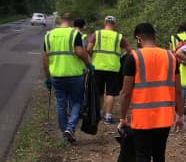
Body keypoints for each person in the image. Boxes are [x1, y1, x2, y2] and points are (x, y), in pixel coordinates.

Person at [118, 23, 184, 162]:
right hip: (164, 117)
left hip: (142, 118)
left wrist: (123, 117)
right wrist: (180, 114)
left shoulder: (134, 57)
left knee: (143, 159)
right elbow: (177, 90)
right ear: (154, 36)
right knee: (159, 157)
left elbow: (126, 92)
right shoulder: (172, 57)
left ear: (139, 38)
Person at [43, 12, 93, 143]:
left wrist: (47, 77)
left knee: (61, 104)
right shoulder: (74, 34)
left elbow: (45, 57)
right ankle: (70, 129)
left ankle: (65, 133)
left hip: (57, 76)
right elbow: (80, 52)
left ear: (61, 21)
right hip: (74, 75)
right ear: (71, 22)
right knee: (77, 102)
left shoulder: (49, 35)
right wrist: (89, 64)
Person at [87, 15, 131, 124]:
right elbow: (130, 50)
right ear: (114, 24)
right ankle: (108, 116)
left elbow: (88, 48)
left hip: (97, 66)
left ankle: (99, 113)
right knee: (111, 92)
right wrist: (123, 58)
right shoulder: (119, 37)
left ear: (104, 23)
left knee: (99, 91)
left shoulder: (96, 34)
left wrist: (93, 56)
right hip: (113, 67)